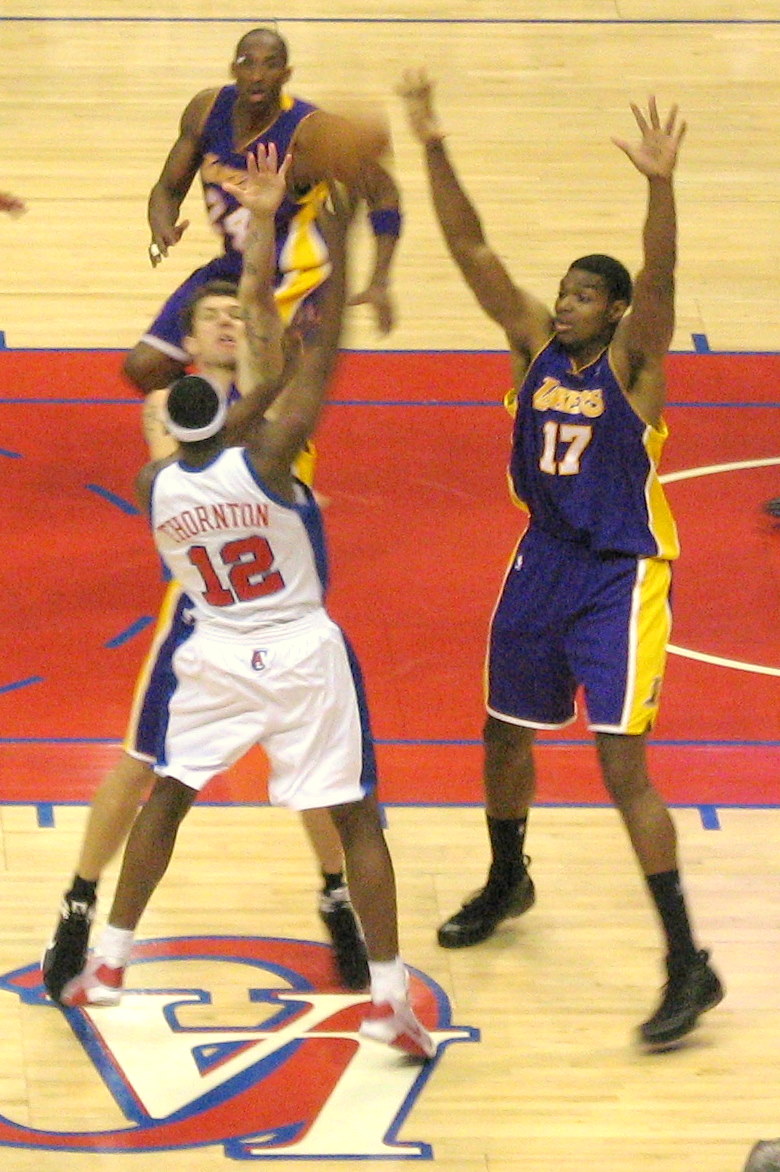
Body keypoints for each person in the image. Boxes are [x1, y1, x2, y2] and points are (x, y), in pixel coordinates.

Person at [57, 143, 435, 1060]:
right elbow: (304, 380)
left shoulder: (156, 484)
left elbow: (227, 409)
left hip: (213, 646)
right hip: (297, 647)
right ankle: (386, 997)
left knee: (171, 793)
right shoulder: (267, 456)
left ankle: (108, 958)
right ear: (225, 409)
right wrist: (339, 252)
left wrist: (264, 229)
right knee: (356, 814)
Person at [398, 69, 723, 1048]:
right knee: (502, 733)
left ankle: (687, 961)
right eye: (566, 292)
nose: (567, 303)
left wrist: (660, 186)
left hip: (622, 573)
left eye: (587, 294)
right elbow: (470, 248)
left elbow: (660, 280)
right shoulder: (529, 349)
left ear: (617, 311)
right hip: (542, 557)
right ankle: (509, 874)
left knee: (624, 764)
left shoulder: (635, 366)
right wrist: (433, 145)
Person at [42, 282, 368, 1002]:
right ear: (185, 344)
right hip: (203, 619)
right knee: (140, 766)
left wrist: (261, 236)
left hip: (285, 613)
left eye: (235, 316)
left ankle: (336, 895)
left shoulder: (274, 400)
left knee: (315, 774)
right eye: (207, 318)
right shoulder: (172, 406)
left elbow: (263, 328)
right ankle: (78, 904)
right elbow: (187, 466)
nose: (225, 324)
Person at [124, 24, 401, 395]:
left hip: (296, 278)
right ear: (232, 68)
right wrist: (161, 226)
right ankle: (207, 423)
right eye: (247, 63)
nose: (257, 75)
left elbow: (384, 192)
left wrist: (380, 279)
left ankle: (239, 436)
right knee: (146, 367)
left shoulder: (311, 131)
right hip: (235, 265)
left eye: (270, 65)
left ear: (285, 75)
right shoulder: (206, 111)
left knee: (258, 396)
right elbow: (168, 188)